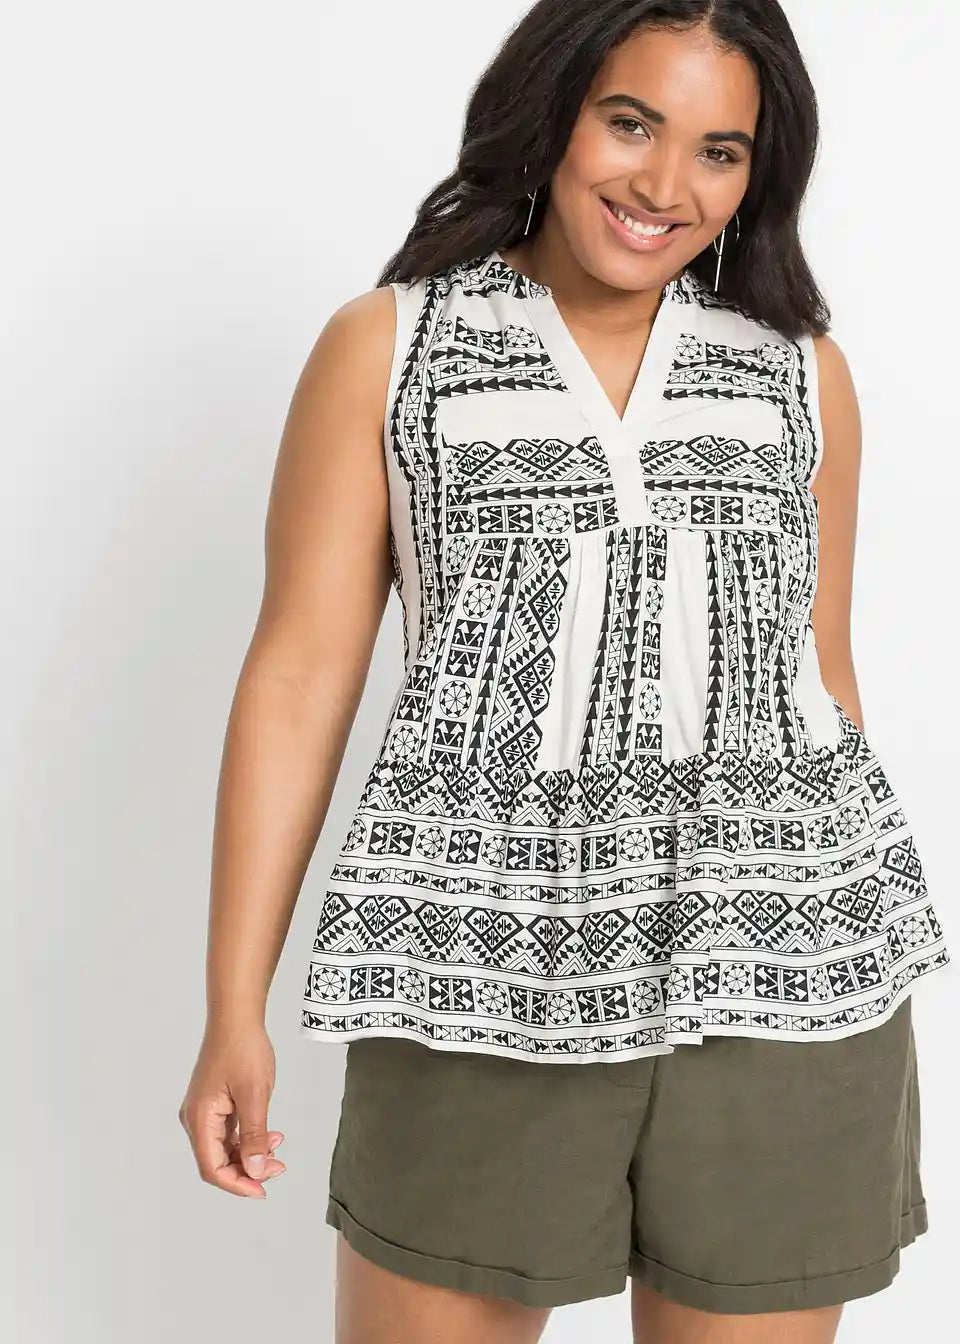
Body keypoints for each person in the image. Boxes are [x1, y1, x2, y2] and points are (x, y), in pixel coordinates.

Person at [179, 2, 951, 1341]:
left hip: (781, 973)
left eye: (719, 150)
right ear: (554, 111)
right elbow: (298, 681)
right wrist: (231, 1006)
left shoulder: (801, 375)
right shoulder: (391, 349)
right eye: (631, 123)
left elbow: (821, 678)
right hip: (472, 964)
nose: (665, 186)